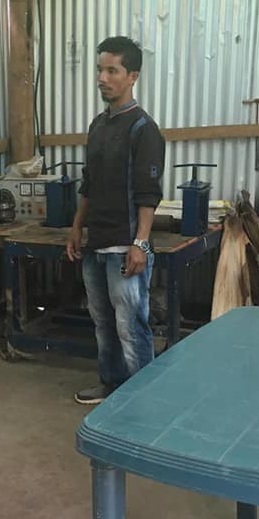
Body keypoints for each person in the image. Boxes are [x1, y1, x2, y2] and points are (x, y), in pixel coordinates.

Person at [65, 36, 166, 405]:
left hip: (126, 247)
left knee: (131, 326)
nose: (102, 78)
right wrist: (77, 227)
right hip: (96, 243)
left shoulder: (143, 128)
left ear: (132, 76)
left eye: (112, 70)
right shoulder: (97, 126)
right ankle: (111, 386)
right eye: (99, 69)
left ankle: (143, 400)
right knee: (103, 322)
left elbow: (147, 193)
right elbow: (88, 184)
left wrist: (140, 243)